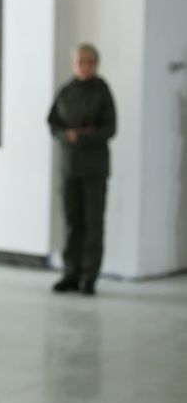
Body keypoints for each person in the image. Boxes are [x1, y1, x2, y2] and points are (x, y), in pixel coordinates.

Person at [47, 43, 117, 295]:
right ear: (74, 64)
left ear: (96, 64)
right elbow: (53, 124)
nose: (85, 66)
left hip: (95, 169)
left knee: (93, 224)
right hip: (70, 167)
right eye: (80, 62)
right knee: (71, 222)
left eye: (89, 62)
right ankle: (70, 274)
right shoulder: (66, 91)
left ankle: (89, 277)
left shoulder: (102, 91)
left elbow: (110, 128)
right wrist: (68, 136)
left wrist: (84, 137)